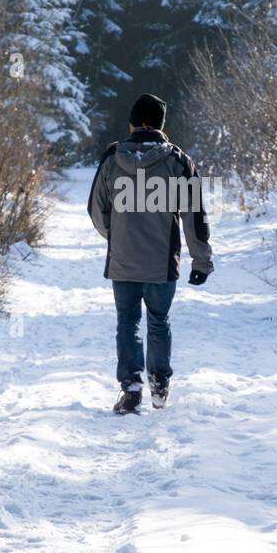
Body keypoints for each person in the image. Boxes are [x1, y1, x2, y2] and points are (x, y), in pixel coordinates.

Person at [87, 94, 214, 414]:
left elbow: (96, 208)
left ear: (133, 123)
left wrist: (115, 236)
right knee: (158, 321)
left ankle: (131, 391)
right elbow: (194, 214)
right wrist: (201, 260)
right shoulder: (178, 162)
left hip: (123, 260)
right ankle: (159, 385)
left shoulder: (113, 159)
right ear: (160, 125)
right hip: (161, 262)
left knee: (127, 322)